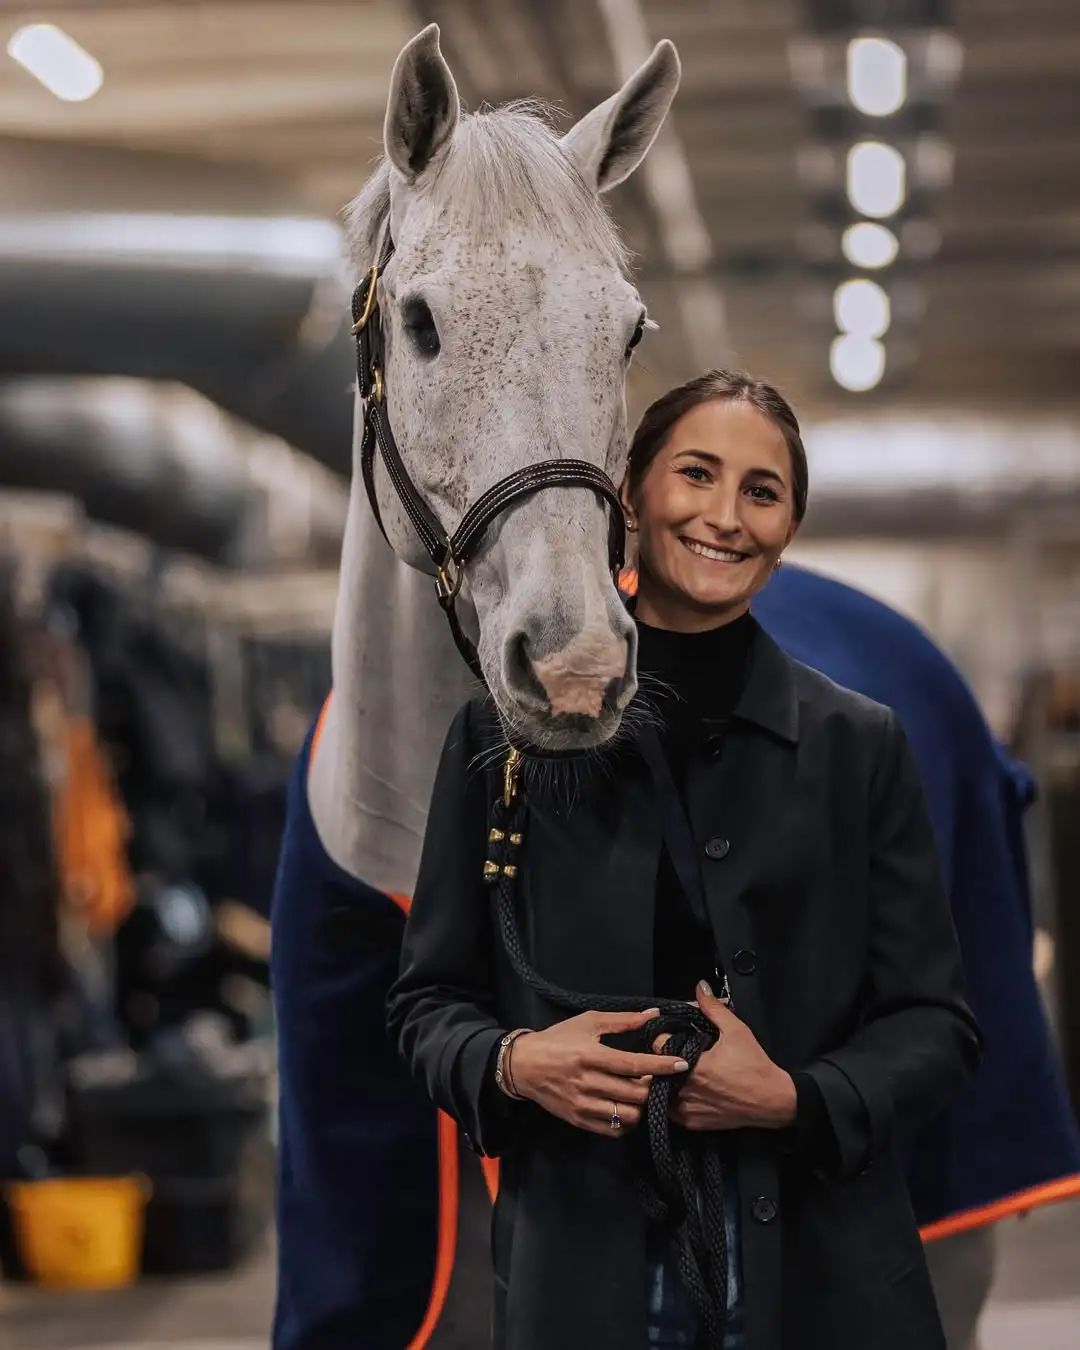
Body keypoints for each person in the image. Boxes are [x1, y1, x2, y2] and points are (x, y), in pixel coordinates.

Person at [385, 369, 983, 1350]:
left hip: (821, 1283)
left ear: (790, 526)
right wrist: (515, 1061)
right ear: (630, 493)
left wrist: (795, 1098)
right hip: (582, 1279)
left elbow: (937, 1023)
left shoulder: (858, 744)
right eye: (695, 474)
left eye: (762, 491)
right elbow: (425, 1004)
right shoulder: (499, 737)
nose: (725, 516)